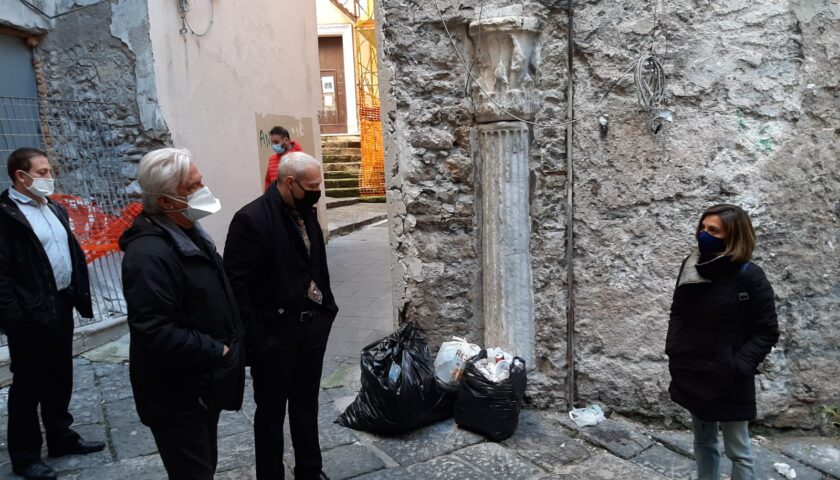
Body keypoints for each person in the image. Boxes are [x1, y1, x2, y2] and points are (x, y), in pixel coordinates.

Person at [119, 147, 245, 480]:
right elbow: (155, 331)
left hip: (201, 387)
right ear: (165, 201)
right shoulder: (148, 255)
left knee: (204, 466)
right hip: (177, 394)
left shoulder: (188, 232)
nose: (204, 190)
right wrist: (218, 350)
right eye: (193, 186)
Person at [225, 151, 337, 480]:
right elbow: (236, 284)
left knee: (306, 406)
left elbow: (315, 263)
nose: (317, 191)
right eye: (312, 185)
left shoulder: (306, 211)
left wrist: (325, 309)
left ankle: (309, 471)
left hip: (310, 331)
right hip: (273, 337)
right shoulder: (251, 219)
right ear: (289, 182)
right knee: (271, 414)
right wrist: (257, 336)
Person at [0, 148, 105, 480]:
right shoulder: (6, 216)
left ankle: (61, 436)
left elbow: (67, 251)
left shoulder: (53, 208)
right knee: (29, 385)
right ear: (21, 176)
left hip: (60, 304)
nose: (49, 177)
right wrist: (15, 315)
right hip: (28, 314)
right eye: (42, 172)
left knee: (61, 375)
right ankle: (25, 455)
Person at [666, 204, 780, 480]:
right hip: (694, 370)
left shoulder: (750, 276)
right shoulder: (692, 265)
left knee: (738, 449)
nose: (704, 235)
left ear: (733, 235)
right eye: (702, 228)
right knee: (703, 442)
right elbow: (678, 311)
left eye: (713, 230)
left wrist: (738, 366)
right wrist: (675, 348)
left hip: (730, 377)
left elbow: (767, 330)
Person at [263, 126, 303, 191]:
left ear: (286, 140)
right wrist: (267, 197)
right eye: (272, 143)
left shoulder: (300, 157)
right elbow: (268, 181)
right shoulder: (272, 160)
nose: (274, 145)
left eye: (276, 142)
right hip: (276, 199)